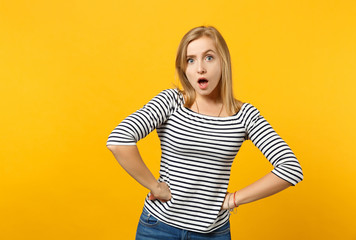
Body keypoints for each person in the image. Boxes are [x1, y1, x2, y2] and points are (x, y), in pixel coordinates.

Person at [106, 26, 303, 240]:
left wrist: (233, 200)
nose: (200, 68)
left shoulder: (244, 115)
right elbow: (119, 140)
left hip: (213, 233)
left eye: (209, 57)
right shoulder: (171, 102)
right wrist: (155, 186)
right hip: (158, 228)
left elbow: (291, 168)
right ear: (184, 69)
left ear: (223, 63)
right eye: (190, 60)